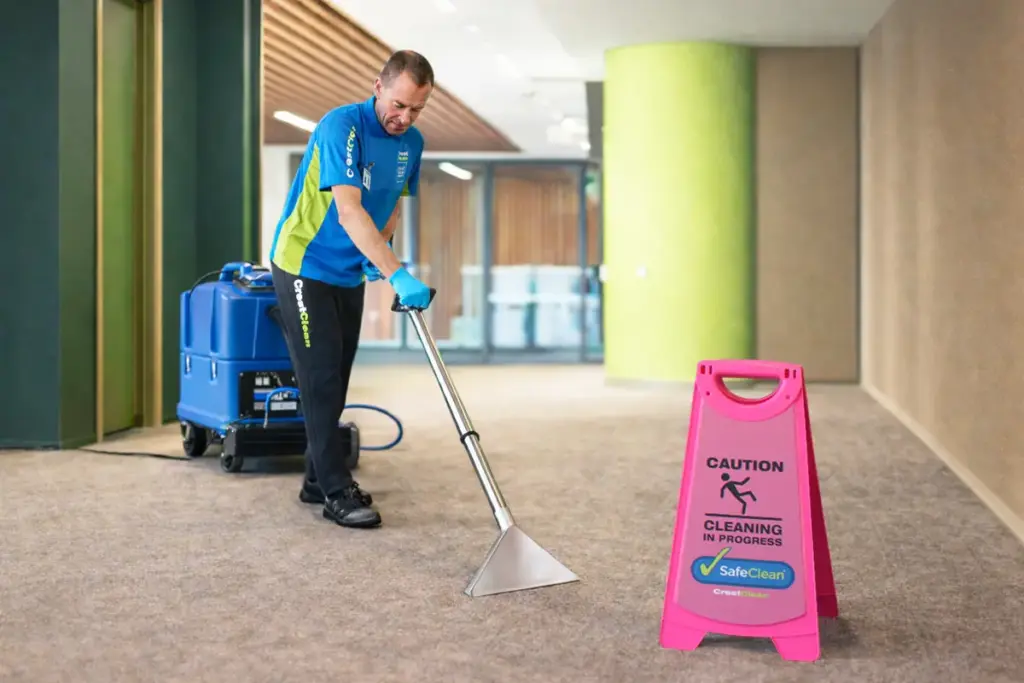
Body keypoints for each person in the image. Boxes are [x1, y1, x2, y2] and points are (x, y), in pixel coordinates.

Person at [267, 50, 436, 530]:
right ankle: (336, 491)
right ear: (378, 85)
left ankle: (316, 478)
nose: (404, 117)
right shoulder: (342, 126)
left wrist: (379, 257)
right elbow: (348, 210)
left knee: (336, 378)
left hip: (349, 271)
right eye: (399, 104)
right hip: (304, 264)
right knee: (319, 378)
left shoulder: (413, 143)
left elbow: (392, 207)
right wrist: (398, 273)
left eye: (417, 109)